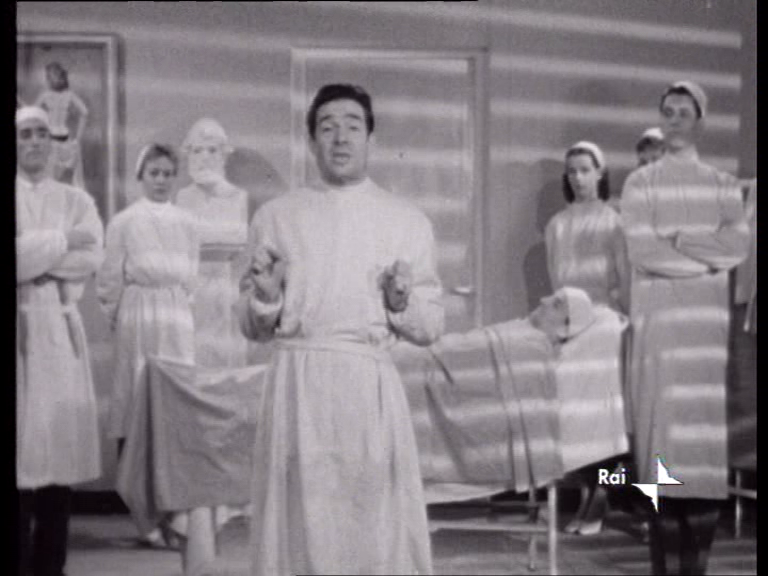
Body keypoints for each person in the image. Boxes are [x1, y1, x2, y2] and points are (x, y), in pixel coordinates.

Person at [238, 83, 445, 576]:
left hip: (366, 387)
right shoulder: (276, 217)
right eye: (327, 127)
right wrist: (266, 296)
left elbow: (431, 325)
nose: (340, 138)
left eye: (353, 126)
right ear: (311, 140)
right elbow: (250, 326)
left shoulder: (406, 221)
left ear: (371, 138)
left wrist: (401, 302)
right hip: (297, 386)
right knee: (297, 522)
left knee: (369, 520)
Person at [621, 81, 749, 575]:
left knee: (701, 451)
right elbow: (642, 252)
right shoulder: (640, 184)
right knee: (661, 448)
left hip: (703, 337)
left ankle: (697, 567)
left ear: (700, 121)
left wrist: (680, 239)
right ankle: (664, 564)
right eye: (667, 111)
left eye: (683, 112)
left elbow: (736, 249)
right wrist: (704, 261)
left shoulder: (722, 185)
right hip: (658, 332)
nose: (674, 120)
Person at [96, 144, 199, 553]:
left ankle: (175, 513)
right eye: (153, 173)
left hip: (175, 317)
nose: (161, 181)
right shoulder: (124, 222)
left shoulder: (188, 222)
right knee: (134, 408)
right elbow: (109, 280)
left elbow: (191, 279)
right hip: (137, 317)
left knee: (174, 412)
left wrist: (179, 309)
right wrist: (122, 319)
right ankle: (143, 518)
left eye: (168, 173)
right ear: (141, 176)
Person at [16, 106, 104, 576]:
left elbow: (91, 257)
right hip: (21, 333)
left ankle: (51, 567)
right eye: (25, 133)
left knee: (57, 461)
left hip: (60, 334)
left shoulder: (76, 200)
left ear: (53, 142)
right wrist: (62, 241)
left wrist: (34, 253)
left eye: (41, 134)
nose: (34, 141)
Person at [176, 118, 249, 370]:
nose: (204, 158)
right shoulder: (183, 197)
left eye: (211, 150)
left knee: (225, 360)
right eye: (197, 150)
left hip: (226, 287)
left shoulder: (237, 197)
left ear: (223, 155)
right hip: (191, 288)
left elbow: (238, 243)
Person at [546, 140, 630, 315]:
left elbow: (626, 281)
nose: (578, 178)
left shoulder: (614, 223)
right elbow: (556, 283)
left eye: (585, 170)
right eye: (572, 171)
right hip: (568, 318)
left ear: (599, 173)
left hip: (607, 317)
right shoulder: (556, 225)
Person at [34, 62, 88, 189]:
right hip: (59, 141)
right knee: (57, 181)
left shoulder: (51, 95)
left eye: (49, 76)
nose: (48, 80)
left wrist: (78, 139)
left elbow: (32, 112)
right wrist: (78, 139)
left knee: (53, 181)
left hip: (57, 142)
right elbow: (85, 112)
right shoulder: (64, 95)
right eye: (47, 77)